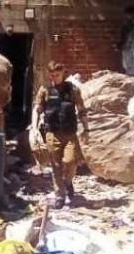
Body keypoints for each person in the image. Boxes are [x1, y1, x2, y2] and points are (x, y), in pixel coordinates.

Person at [32, 61, 88, 207]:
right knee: (56, 166)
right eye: (51, 75)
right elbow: (37, 109)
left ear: (63, 73)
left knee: (70, 162)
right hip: (52, 133)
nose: (54, 78)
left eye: (57, 75)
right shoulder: (45, 90)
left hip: (70, 134)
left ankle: (68, 182)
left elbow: (81, 110)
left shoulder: (72, 90)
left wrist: (86, 129)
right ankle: (60, 196)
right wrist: (34, 128)